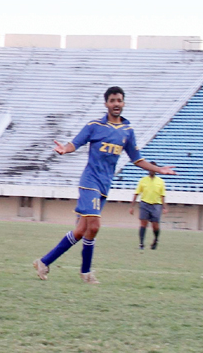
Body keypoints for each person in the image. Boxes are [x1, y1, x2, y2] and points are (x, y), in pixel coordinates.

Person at [33, 87, 176, 284]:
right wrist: (64, 149)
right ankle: (86, 274)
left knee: (82, 230)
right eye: (112, 100)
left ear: (123, 103)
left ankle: (43, 262)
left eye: (119, 100)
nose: (116, 104)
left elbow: (137, 159)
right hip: (89, 182)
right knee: (95, 226)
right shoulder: (94, 126)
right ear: (106, 104)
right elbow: (75, 143)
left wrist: (159, 170)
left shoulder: (127, 131)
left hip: (104, 186)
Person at [129, 163, 168, 250]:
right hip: (144, 204)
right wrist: (132, 206)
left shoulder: (160, 181)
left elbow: (162, 195)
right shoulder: (143, 180)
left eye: (153, 169)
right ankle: (141, 243)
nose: (152, 170)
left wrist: (164, 207)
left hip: (156, 205)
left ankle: (156, 239)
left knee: (155, 225)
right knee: (143, 224)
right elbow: (136, 193)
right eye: (150, 168)